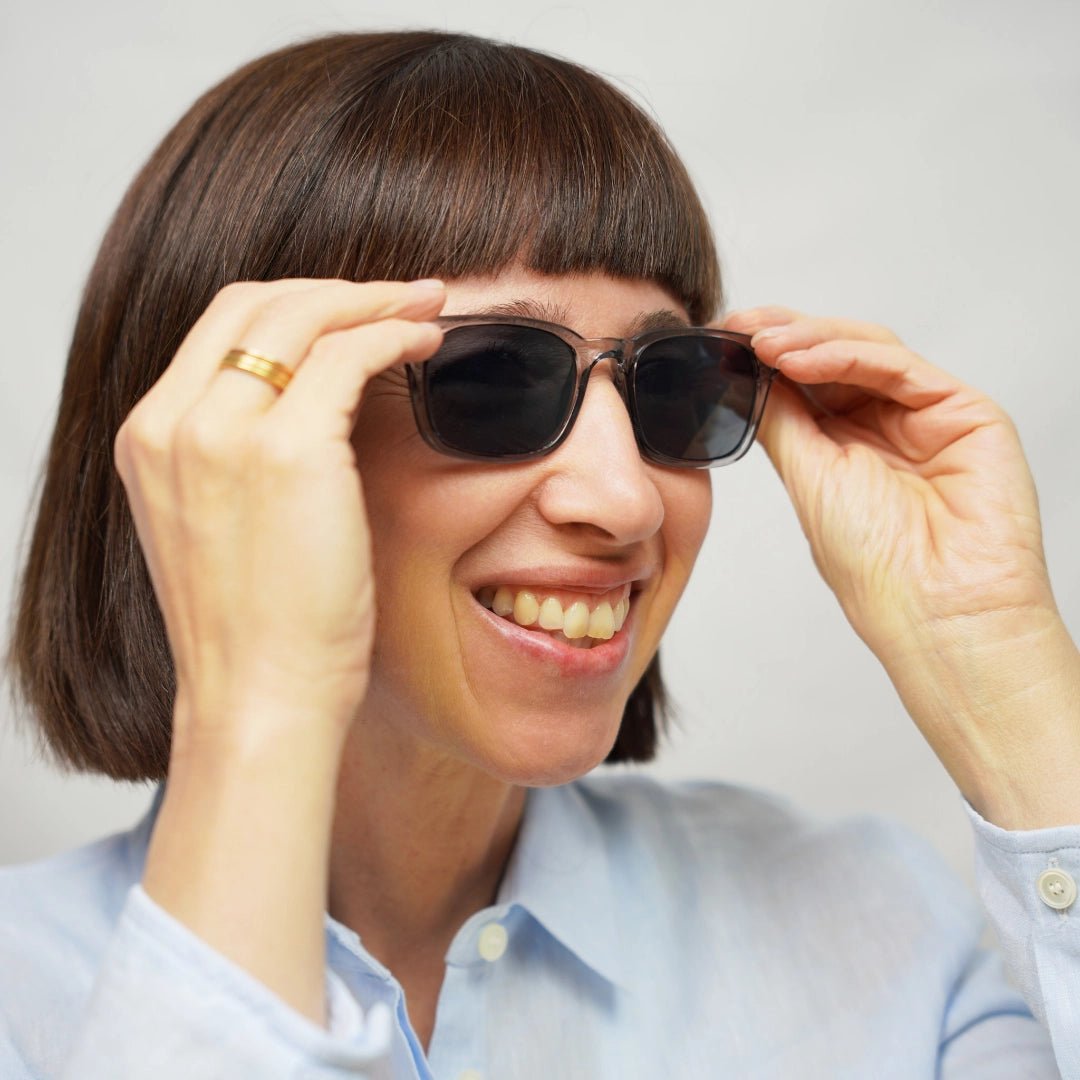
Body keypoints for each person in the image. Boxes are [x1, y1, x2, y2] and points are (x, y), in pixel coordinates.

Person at [1, 28, 1078, 1079]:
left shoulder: (872, 927)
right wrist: (259, 707)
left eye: (672, 385)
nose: (624, 499)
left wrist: (1001, 667)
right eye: (493, 377)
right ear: (222, 441)